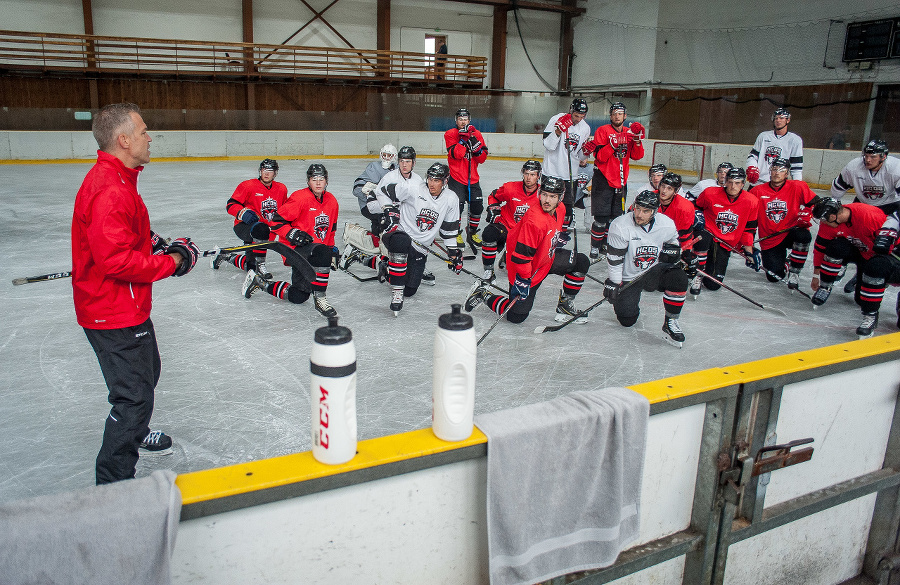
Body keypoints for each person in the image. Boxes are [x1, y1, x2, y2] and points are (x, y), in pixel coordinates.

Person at [72, 103, 200, 484]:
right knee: (133, 399)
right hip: (111, 312)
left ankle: (137, 430)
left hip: (124, 306)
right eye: (143, 131)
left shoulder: (120, 179)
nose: (149, 137)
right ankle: (113, 487)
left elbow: (125, 239)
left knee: (148, 373)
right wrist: (172, 263)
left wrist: (157, 244)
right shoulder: (110, 189)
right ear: (123, 139)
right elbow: (116, 262)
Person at [465, 176, 590, 324]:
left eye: (552, 196)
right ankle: (482, 294)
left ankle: (565, 305)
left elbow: (552, 227)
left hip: (547, 259)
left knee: (581, 262)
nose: (547, 200)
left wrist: (558, 236)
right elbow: (522, 257)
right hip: (526, 268)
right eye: (544, 194)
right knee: (516, 316)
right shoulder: (534, 221)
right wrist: (523, 280)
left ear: (560, 197)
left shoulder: (561, 208)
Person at [365, 162, 462, 315]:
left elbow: (448, 230)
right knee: (402, 242)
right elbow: (381, 192)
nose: (432, 183)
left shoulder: (451, 199)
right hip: (399, 234)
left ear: (445, 181)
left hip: (420, 248)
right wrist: (389, 210)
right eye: (430, 179)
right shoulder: (413, 188)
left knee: (409, 290)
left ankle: (382, 265)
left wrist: (453, 252)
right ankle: (396, 294)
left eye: (436, 180)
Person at [245, 164, 339, 318]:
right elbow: (275, 221)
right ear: (308, 181)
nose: (317, 183)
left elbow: (331, 229)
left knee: (299, 296)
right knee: (322, 252)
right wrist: (291, 232)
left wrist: (332, 248)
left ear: (326, 181)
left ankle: (260, 283)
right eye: (313, 179)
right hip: (294, 249)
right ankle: (321, 299)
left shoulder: (332, 201)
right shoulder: (299, 197)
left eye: (321, 179)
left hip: (314, 252)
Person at [603, 190, 692, 347]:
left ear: (655, 211)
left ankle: (670, 322)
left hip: (654, 272)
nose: (639, 214)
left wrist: (672, 254)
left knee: (679, 278)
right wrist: (615, 283)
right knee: (627, 320)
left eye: (646, 211)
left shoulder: (666, 224)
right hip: (629, 277)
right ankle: (628, 304)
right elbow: (615, 259)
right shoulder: (620, 226)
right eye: (638, 208)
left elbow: (674, 243)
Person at [810, 198, 898, 337]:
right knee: (835, 247)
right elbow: (820, 248)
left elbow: (890, 247)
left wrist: (879, 277)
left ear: (833, 216)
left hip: (875, 255)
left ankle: (868, 303)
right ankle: (826, 286)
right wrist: (816, 276)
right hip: (858, 250)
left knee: (862, 299)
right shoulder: (829, 222)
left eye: (823, 219)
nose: (822, 223)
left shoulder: (870, 217)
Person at [582, 102, 645, 259]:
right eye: (614, 113)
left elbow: (637, 156)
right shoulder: (603, 131)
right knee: (601, 217)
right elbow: (601, 157)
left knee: (616, 218)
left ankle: (606, 243)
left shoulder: (628, 132)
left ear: (625, 116)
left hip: (621, 181)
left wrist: (637, 140)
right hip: (603, 179)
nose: (617, 116)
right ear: (610, 116)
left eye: (620, 113)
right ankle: (595, 247)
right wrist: (613, 144)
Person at [749, 157, 820, 289]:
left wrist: (808, 213)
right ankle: (788, 262)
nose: (777, 173)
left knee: (804, 236)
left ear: (787, 173)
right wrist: (746, 241)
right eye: (774, 169)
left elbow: (818, 204)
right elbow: (747, 217)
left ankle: (794, 272)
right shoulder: (757, 191)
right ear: (770, 171)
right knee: (774, 277)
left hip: (790, 232)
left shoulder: (798, 187)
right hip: (770, 238)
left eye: (781, 170)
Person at [211, 158, 288, 278]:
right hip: (245, 227)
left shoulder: (281, 189)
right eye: (264, 170)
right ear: (260, 171)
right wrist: (242, 213)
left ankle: (226, 256)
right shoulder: (248, 185)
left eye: (270, 170)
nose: (266, 173)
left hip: (267, 231)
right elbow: (231, 204)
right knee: (260, 232)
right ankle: (260, 265)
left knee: (250, 266)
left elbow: (283, 211)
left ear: (275, 173)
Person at [691, 167, 760, 296]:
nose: (733, 186)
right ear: (725, 182)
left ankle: (706, 269)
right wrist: (697, 217)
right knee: (702, 236)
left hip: (726, 242)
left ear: (743, 184)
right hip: (708, 233)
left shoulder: (752, 201)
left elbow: (749, 229)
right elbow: (696, 208)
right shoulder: (710, 193)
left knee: (713, 285)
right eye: (730, 182)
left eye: (737, 183)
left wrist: (748, 252)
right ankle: (697, 273)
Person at [480, 159, 542, 282]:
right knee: (488, 234)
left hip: (525, 233)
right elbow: (494, 196)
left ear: (538, 176)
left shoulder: (543, 195)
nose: (528, 178)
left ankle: (508, 254)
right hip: (506, 225)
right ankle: (488, 271)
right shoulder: (511, 188)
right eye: (526, 173)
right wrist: (494, 208)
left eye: (533, 174)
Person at [542, 98, 591, 233]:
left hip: (570, 176)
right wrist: (558, 131)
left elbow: (580, 156)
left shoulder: (585, 128)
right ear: (571, 110)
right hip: (551, 172)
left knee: (566, 212)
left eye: (582, 116)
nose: (579, 119)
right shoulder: (556, 119)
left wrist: (586, 152)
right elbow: (548, 145)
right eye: (576, 116)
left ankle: (560, 238)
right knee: (547, 208)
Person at [445, 108, 489, 254]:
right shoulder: (450, 134)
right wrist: (463, 140)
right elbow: (457, 155)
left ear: (469, 120)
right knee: (457, 208)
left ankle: (472, 231)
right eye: (460, 119)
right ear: (456, 121)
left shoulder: (477, 134)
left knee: (477, 207)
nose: (463, 122)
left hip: (473, 179)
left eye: (465, 119)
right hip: (456, 178)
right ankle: (456, 233)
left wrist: (475, 147)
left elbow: (482, 159)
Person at [830, 140, 900, 216]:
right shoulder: (854, 167)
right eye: (866, 156)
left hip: (889, 205)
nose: (868, 160)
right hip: (862, 204)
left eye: (873, 157)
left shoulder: (896, 168)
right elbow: (839, 187)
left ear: (883, 157)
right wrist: (835, 204)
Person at [746, 107, 803, 185]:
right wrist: (752, 167)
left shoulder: (795, 140)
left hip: (778, 185)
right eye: (776, 118)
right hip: (759, 182)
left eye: (781, 118)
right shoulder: (763, 136)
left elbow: (796, 167)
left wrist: (797, 184)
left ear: (788, 120)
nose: (778, 120)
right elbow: (752, 156)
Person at [352, 144, 397, 234]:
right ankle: (377, 237)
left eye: (389, 155)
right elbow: (356, 189)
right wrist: (369, 195)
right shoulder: (374, 167)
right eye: (384, 155)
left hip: (388, 205)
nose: (386, 158)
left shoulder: (397, 169)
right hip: (369, 205)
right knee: (381, 218)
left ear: (394, 156)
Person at [658, 172, 702, 252]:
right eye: (663, 186)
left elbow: (685, 235)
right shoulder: (649, 199)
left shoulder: (685, 208)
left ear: (676, 191)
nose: (664, 191)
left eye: (669, 188)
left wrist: (686, 252)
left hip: (672, 243)